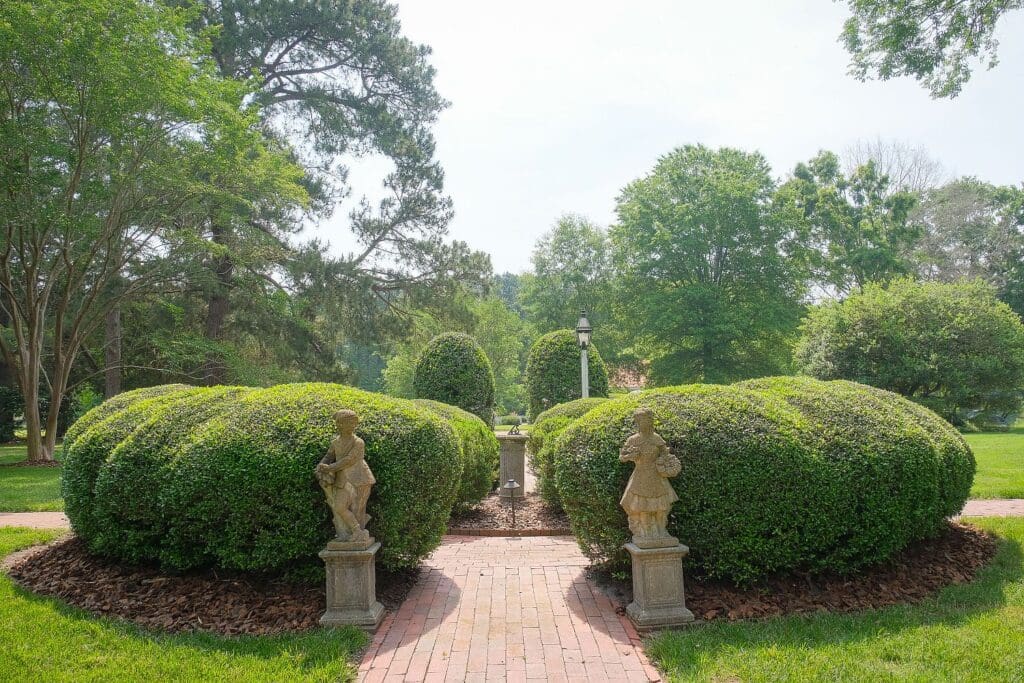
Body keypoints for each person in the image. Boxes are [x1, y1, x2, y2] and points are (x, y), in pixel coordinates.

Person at [619, 407, 680, 545]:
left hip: (657, 474)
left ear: (650, 422)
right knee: (643, 506)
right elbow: (622, 457)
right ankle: (645, 533)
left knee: (662, 507)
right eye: (640, 421)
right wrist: (630, 456)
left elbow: (666, 454)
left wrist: (666, 461)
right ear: (637, 423)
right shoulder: (633, 440)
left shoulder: (656, 438)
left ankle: (661, 531)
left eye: (646, 420)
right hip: (640, 476)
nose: (643, 424)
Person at [316, 409, 375, 543]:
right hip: (342, 480)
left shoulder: (358, 442)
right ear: (339, 424)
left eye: (354, 423)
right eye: (349, 423)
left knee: (358, 509)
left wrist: (330, 467)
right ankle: (356, 532)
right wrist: (321, 465)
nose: (352, 425)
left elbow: (349, 460)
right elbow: (329, 456)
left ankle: (357, 534)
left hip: (360, 480)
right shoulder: (336, 442)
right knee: (339, 507)